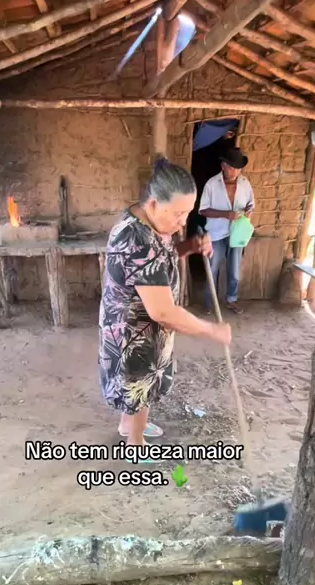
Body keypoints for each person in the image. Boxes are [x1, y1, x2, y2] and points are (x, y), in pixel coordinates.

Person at [98, 158, 231, 454]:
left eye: (187, 213)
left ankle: (129, 427)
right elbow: (163, 312)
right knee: (138, 382)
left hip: (144, 326)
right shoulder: (137, 239)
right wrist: (211, 330)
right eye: (179, 213)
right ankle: (135, 443)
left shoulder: (148, 220)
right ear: (154, 203)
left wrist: (190, 247)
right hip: (133, 330)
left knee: (140, 383)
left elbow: (162, 259)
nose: (183, 222)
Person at [199, 145, 254, 316]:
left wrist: (248, 213)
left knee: (234, 270)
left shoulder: (245, 183)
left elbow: (251, 205)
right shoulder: (211, 184)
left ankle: (231, 299)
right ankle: (209, 303)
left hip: (237, 234)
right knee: (212, 269)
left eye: (238, 168)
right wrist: (225, 214)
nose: (236, 172)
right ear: (223, 166)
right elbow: (203, 210)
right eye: (232, 168)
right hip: (216, 234)